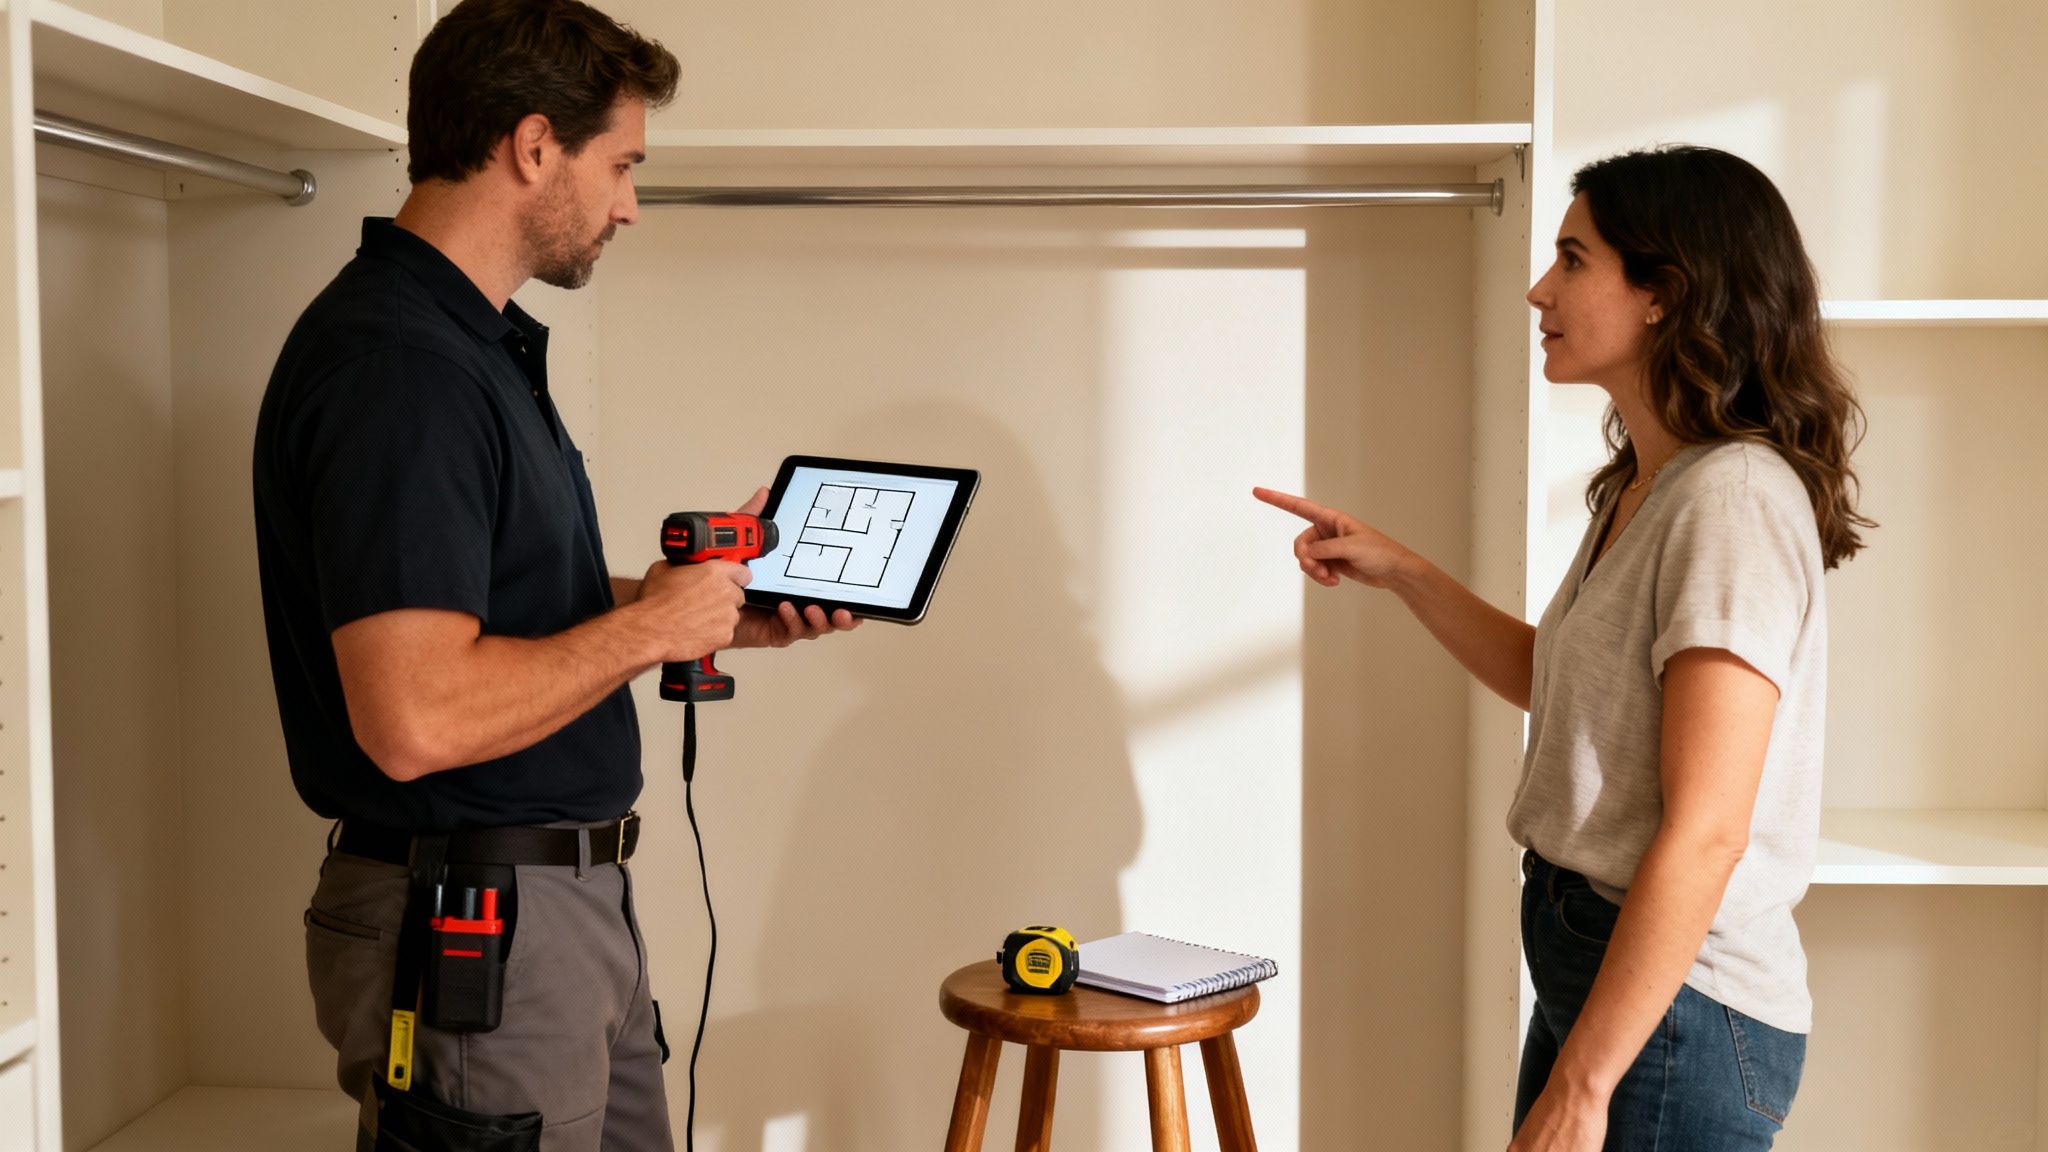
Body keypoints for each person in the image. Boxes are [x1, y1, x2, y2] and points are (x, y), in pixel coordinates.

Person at [251, 1, 856, 1147]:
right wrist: (645, 632)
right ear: (533, 146)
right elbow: (416, 717)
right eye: (620, 163)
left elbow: (494, 621)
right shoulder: (402, 371)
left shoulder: (469, 349)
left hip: (561, 917)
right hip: (481, 922)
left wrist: (697, 614)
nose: (629, 200)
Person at [1257, 144, 1872, 1150]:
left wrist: (1584, 1087)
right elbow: (1564, 687)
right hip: (1602, 967)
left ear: (1663, 294)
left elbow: (1708, 829)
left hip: (1677, 1007)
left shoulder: (1731, 501)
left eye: (1572, 260)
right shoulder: (1651, 482)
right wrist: (1404, 570)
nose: (1539, 289)